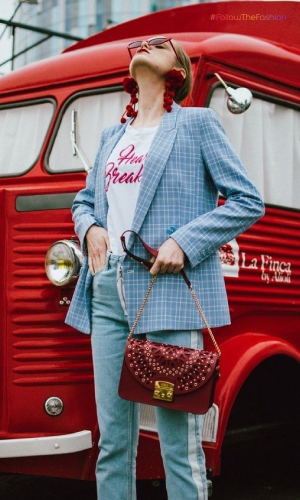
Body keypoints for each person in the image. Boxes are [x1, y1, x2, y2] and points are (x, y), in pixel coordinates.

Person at [66, 36, 264, 500]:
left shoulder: (196, 124)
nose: (143, 45)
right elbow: (84, 200)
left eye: (158, 44)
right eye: (139, 43)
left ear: (178, 68)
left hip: (167, 291)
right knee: (112, 441)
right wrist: (91, 227)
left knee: (179, 443)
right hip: (106, 288)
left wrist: (185, 241)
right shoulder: (111, 136)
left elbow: (246, 201)